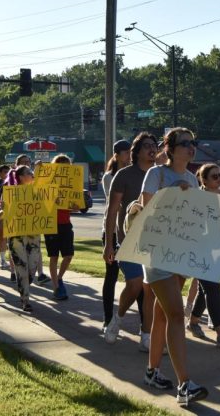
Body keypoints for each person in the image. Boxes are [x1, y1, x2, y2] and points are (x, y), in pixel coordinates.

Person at [139, 127, 208, 407]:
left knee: (163, 314)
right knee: (177, 314)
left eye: (193, 143)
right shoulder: (156, 174)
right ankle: (184, 385)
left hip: (180, 253)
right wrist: (172, 194)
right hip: (157, 252)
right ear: (170, 149)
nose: (191, 148)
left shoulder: (192, 177)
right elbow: (146, 210)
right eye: (185, 144)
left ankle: (152, 372)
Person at [103, 133, 156, 352]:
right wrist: (109, 243)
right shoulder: (124, 175)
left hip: (155, 241)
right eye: (147, 146)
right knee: (134, 285)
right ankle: (118, 318)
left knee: (150, 290)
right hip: (128, 240)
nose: (152, 150)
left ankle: (146, 335)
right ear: (136, 151)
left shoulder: (160, 175)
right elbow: (112, 210)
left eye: (154, 146)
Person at [186, 163, 220, 348]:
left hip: (219, 250)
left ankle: (193, 322)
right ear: (204, 180)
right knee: (212, 287)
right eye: (214, 176)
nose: (219, 179)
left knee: (205, 288)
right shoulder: (197, 198)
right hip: (200, 249)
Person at [100, 139, 132, 331]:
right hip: (112, 231)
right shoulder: (109, 177)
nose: (129, 156)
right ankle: (107, 317)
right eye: (126, 152)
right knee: (111, 275)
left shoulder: (136, 175)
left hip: (130, 230)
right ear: (117, 154)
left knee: (135, 279)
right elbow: (116, 204)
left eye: (131, 152)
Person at [6, 165, 40, 312]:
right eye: (29, 173)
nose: (32, 175)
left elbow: (46, 209)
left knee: (32, 268)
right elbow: (5, 211)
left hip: (34, 235)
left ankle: (24, 285)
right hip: (16, 236)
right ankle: (25, 299)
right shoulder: (11, 193)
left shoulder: (38, 192)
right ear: (21, 177)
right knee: (21, 268)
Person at [44, 154, 77, 301]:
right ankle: (56, 287)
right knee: (54, 257)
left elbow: (75, 207)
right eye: (60, 165)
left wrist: (75, 206)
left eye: (66, 165)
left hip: (65, 224)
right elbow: (41, 202)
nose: (64, 168)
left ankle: (59, 278)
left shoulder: (71, 184)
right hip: (51, 224)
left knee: (68, 255)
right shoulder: (48, 184)